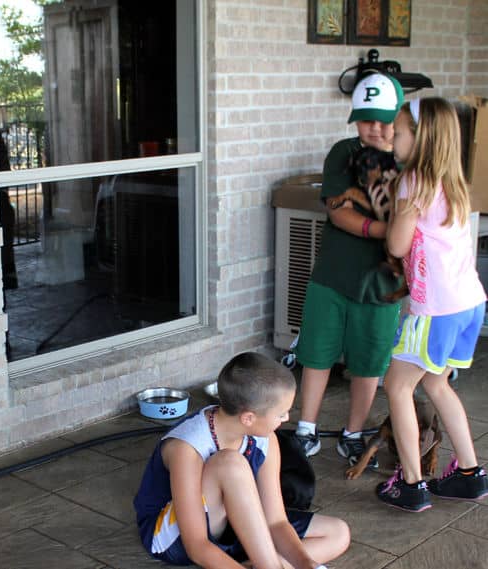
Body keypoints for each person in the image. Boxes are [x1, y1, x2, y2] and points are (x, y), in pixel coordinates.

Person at [133, 352, 350, 568]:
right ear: (248, 418)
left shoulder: (267, 438)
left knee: (338, 533)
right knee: (230, 464)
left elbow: (276, 521)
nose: (287, 419)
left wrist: (305, 564)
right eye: (281, 413)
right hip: (176, 538)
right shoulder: (187, 448)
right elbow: (196, 546)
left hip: (232, 526)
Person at [375, 98, 488, 512]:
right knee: (436, 383)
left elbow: (398, 244)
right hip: (469, 303)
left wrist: (393, 220)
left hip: (436, 309)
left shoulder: (414, 182)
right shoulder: (452, 180)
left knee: (397, 385)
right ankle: (470, 474)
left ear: (420, 138)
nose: (392, 137)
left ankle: (411, 483)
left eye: (399, 131)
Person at [293, 73, 405, 467]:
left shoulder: (411, 160)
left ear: (399, 117)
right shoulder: (343, 152)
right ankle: (306, 428)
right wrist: (386, 230)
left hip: (383, 283)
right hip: (333, 273)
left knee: (369, 360)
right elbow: (338, 212)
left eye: (383, 119)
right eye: (365, 119)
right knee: (317, 351)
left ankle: (353, 432)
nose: (374, 128)